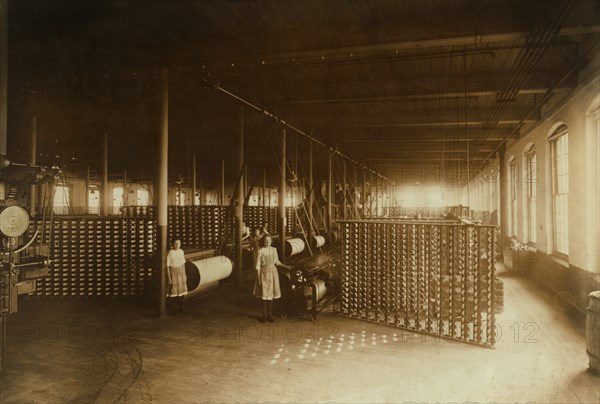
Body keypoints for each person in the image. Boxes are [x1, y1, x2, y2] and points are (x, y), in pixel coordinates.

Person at [253, 235, 291, 323]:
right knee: (264, 295)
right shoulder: (260, 251)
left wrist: (286, 266)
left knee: (271, 295)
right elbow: (258, 266)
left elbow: (277, 262)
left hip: (273, 273)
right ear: (263, 241)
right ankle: (264, 316)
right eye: (266, 241)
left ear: (271, 241)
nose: (268, 242)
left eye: (269, 241)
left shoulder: (274, 250)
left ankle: (270, 315)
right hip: (264, 273)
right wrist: (258, 279)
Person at [166, 238, 188, 314]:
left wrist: (184, 275)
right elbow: (167, 266)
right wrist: (169, 278)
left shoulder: (181, 251)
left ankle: (181, 306)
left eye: (179, 243)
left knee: (182, 290)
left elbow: (183, 264)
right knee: (173, 291)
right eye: (175, 243)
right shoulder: (170, 252)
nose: (177, 245)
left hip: (180, 272)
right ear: (172, 244)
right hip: (173, 272)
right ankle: (173, 309)